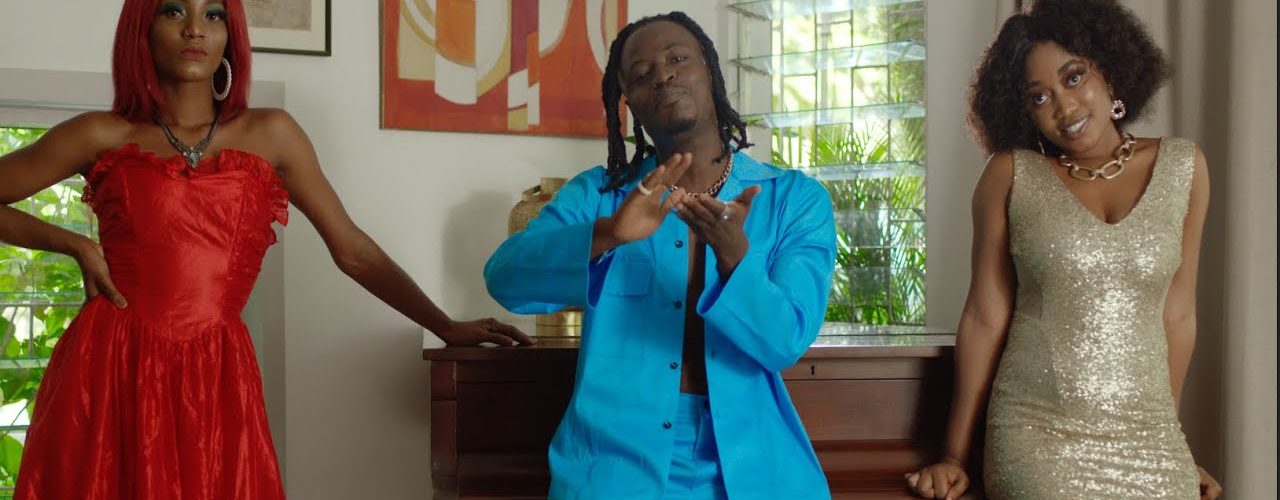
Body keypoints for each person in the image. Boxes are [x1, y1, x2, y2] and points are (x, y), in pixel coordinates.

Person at [0, 1, 531, 498]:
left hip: (216, 373)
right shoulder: (101, 133)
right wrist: (71, 243)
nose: (194, 28)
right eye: (173, 10)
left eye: (213, 14)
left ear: (231, 34)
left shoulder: (272, 133)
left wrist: (444, 325)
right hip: (113, 364)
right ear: (142, 28)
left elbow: (352, 250)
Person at [484, 11, 836, 500]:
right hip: (613, 468)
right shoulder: (598, 196)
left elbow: (784, 341)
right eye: (642, 73)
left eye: (677, 59)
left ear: (709, 70)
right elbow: (505, 279)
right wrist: (609, 234)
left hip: (757, 470)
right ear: (629, 103)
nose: (663, 75)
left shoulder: (795, 200)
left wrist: (736, 258)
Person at [905, 1, 1222, 499]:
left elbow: (1178, 315)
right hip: (1037, 434)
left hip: (1151, 438)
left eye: (1074, 78)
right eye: (1039, 97)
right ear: (1023, 111)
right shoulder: (1010, 175)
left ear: (1109, 72)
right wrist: (954, 455)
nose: (1065, 107)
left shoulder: (1184, 167)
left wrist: (1173, 441)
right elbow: (985, 317)